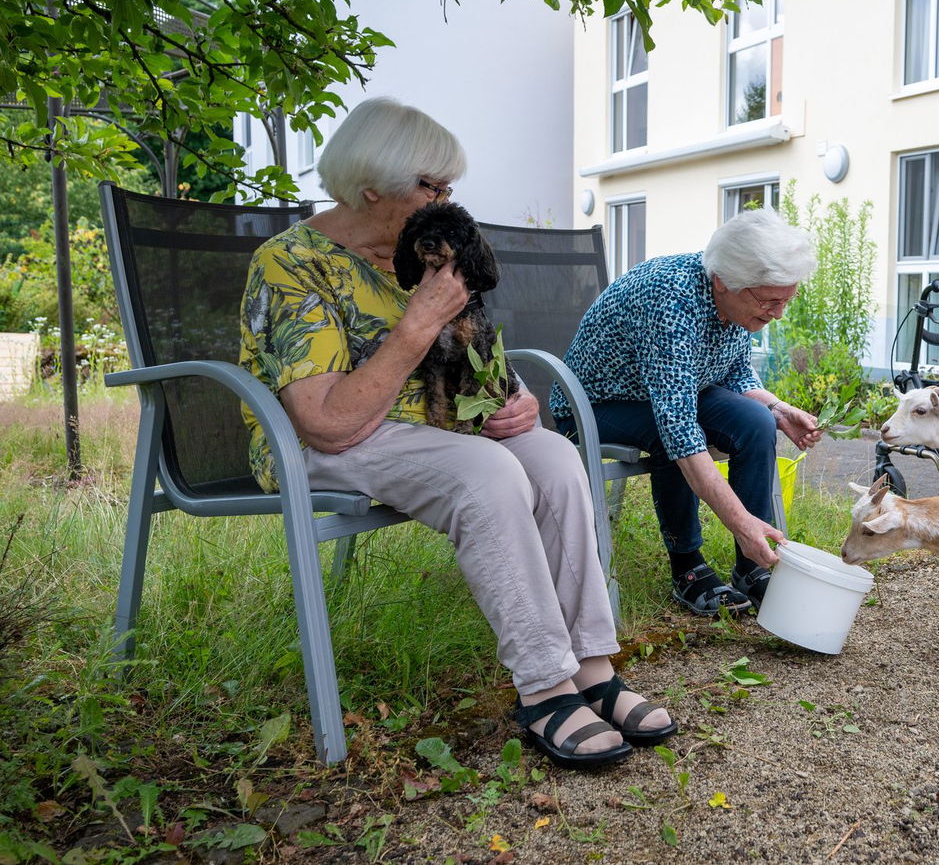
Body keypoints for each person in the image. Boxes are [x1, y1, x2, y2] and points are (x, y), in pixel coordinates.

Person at [238, 97, 673, 769]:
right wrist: (415, 324)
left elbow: (476, 351)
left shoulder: (421, 252)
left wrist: (515, 398)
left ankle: (591, 666)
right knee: (489, 472)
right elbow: (327, 421)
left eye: (448, 188)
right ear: (370, 185)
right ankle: (544, 688)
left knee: (554, 457)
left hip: (438, 430)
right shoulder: (293, 263)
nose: (444, 202)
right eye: (429, 186)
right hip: (328, 441)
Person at [551, 208, 825, 616]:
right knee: (672, 437)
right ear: (724, 282)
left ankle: (752, 568)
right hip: (594, 404)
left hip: (668, 393)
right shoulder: (671, 299)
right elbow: (679, 428)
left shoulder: (734, 297)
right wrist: (740, 522)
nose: (779, 313)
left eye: (787, 299)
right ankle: (688, 569)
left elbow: (733, 372)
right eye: (771, 301)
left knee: (755, 421)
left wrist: (779, 409)